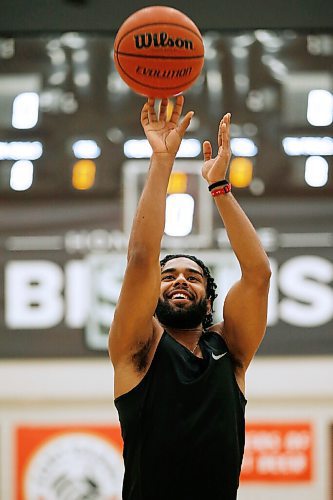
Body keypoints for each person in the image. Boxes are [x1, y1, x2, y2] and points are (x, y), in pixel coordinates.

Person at [109, 95, 271, 500]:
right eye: (169, 276)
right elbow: (142, 258)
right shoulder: (139, 348)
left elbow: (258, 275)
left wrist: (219, 187)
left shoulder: (229, 350)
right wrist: (163, 159)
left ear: (207, 295)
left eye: (192, 276)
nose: (180, 280)